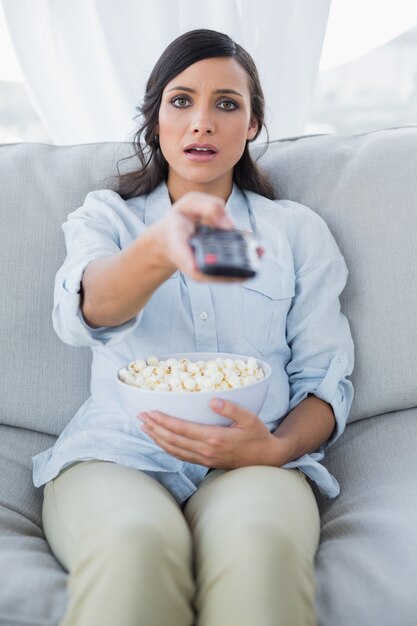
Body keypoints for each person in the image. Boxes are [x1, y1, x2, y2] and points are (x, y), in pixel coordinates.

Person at [32, 28, 354, 626]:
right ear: (155, 118)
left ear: (253, 124)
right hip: (117, 455)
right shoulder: (106, 217)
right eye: (181, 101)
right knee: (133, 547)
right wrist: (162, 248)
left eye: (226, 104)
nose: (201, 121)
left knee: (260, 548)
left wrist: (276, 447)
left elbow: (326, 379)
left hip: (256, 460)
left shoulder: (296, 232)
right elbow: (86, 313)